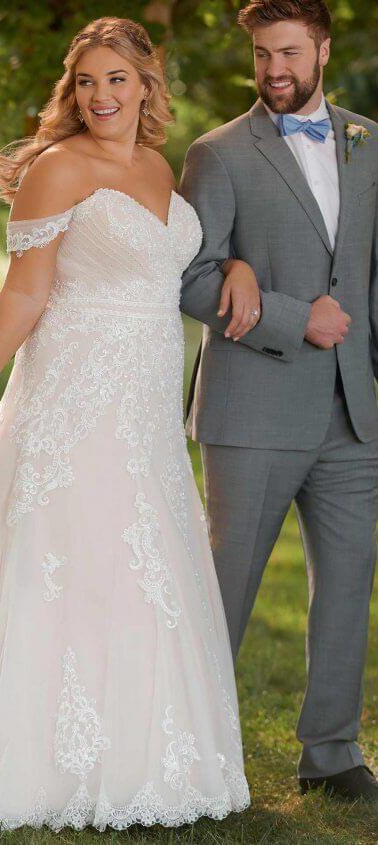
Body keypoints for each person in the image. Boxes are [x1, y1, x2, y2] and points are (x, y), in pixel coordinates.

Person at [0, 17, 253, 830]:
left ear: (146, 86)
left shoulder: (154, 165)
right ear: (71, 91)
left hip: (144, 398)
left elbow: (171, 267)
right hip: (72, 388)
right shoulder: (57, 168)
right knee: (58, 551)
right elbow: (25, 292)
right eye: (86, 81)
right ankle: (27, 750)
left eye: (116, 79)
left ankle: (132, 751)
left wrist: (237, 264)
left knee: (133, 559)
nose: (100, 95)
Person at [180, 0, 378, 802]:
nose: (274, 71)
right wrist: (299, 319)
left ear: (324, 49)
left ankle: (331, 754)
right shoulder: (217, 154)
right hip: (251, 413)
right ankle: (194, 750)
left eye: (289, 52)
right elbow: (192, 278)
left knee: (347, 587)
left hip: (353, 418)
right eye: (262, 54)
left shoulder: (368, 142)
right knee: (223, 589)